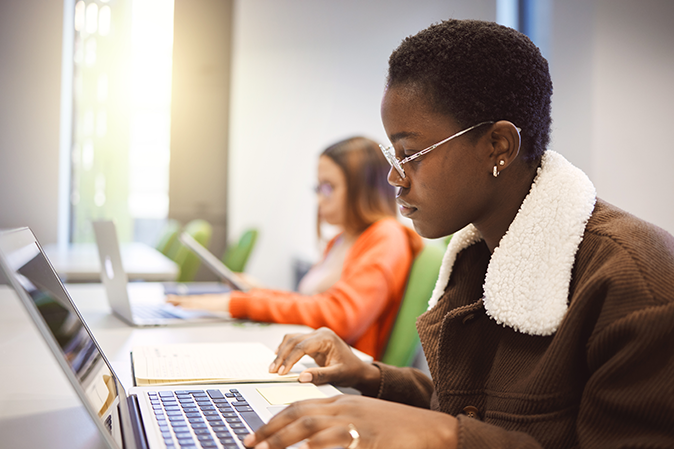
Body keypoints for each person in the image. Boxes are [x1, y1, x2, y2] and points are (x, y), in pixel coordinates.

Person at [242, 19, 674, 449]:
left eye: (411, 154)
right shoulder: (481, 252)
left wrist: (448, 436)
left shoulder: (636, 281)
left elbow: (463, 426)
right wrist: (368, 374)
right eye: (393, 154)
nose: (394, 176)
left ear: (498, 147)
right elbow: (471, 408)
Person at [168, 136, 423, 360]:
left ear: (364, 190)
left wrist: (242, 303)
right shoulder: (341, 240)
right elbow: (313, 303)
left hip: (342, 377)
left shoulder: (385, 237)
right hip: (312, 357)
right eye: (318, 187)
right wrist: (261, 292)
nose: (319, 198)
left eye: (328, 187)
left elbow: (339, 316)